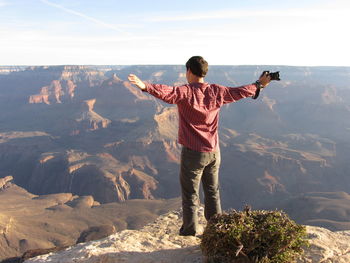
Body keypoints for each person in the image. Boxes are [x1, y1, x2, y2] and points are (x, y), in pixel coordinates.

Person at [128, 56, 271, 236]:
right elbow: (241, 91)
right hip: (214, 151)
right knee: (212, 192)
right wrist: (259, 84)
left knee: (190, 194)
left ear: (188, 71)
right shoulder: (217, 91)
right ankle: (216, 230)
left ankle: (190, 230)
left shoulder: (186, 92)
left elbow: (168, 92)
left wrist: (145, 86)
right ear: (205, 72)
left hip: (193, 153)